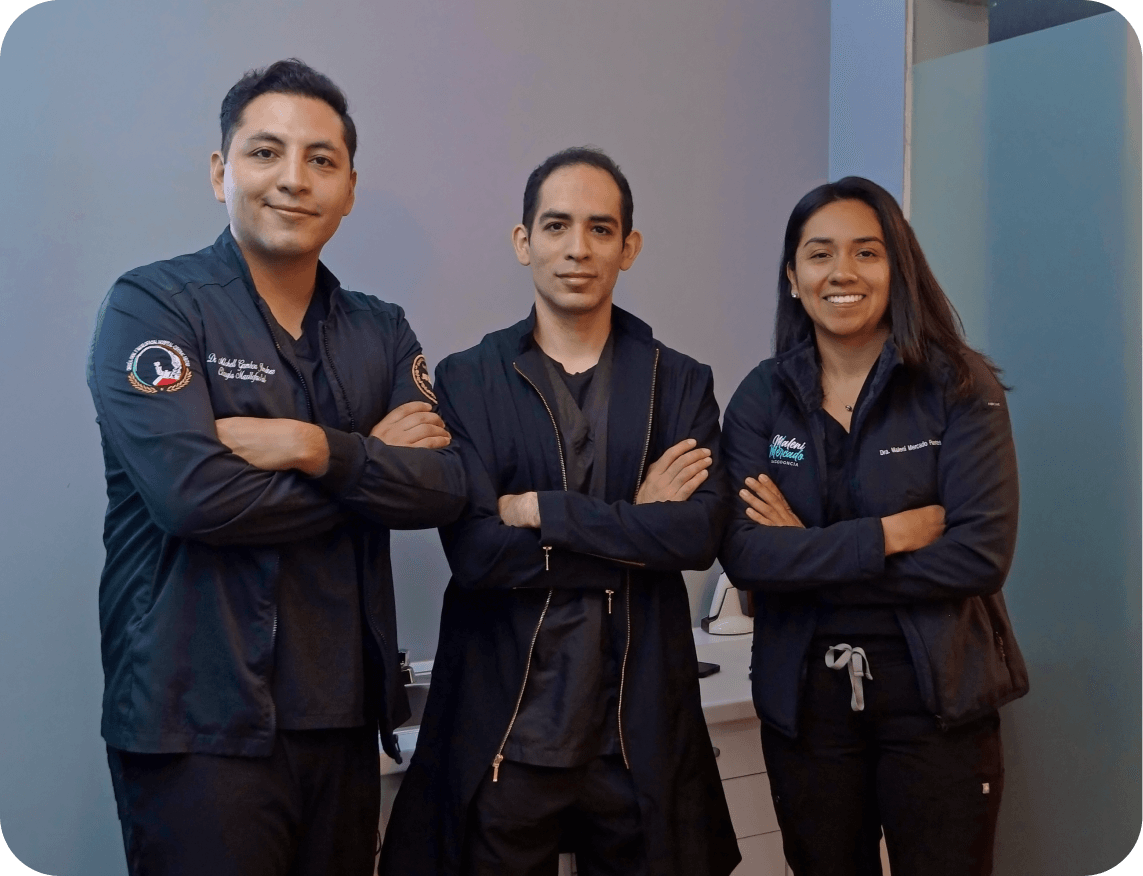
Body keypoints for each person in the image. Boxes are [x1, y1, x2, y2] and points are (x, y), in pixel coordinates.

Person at [86, 59, 466, 876]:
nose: (294, 179)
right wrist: (370, 468)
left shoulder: (381, 330)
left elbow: (445, 486)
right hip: (195, 723)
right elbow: (193, 498)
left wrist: (316, 446)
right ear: (221, 172)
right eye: (265, 153)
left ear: (350, 187)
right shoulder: (152, 307)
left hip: (338, 718)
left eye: (321, 160)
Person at [378, 147, 741, 876]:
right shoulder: (469, 380)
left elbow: (697, 535)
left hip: (631, 726)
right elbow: (479, 554)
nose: (577, 248)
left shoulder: (678, 382)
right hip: (510, 731)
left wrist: (546, 511)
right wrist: (634, 521)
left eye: (600, 229)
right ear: (524, 242)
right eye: (556, 226)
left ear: (627, 247)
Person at [718, 176, 1028, 876]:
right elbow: (743, 557)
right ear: (793, 278)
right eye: (819, 254)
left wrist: (802, 553)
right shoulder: (760, 398)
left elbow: (977, 559)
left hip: (937, 702)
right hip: (805, 707)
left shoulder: (957, 386)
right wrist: (883, 536)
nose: (842, 272)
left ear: (898, 270)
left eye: (867, 252)